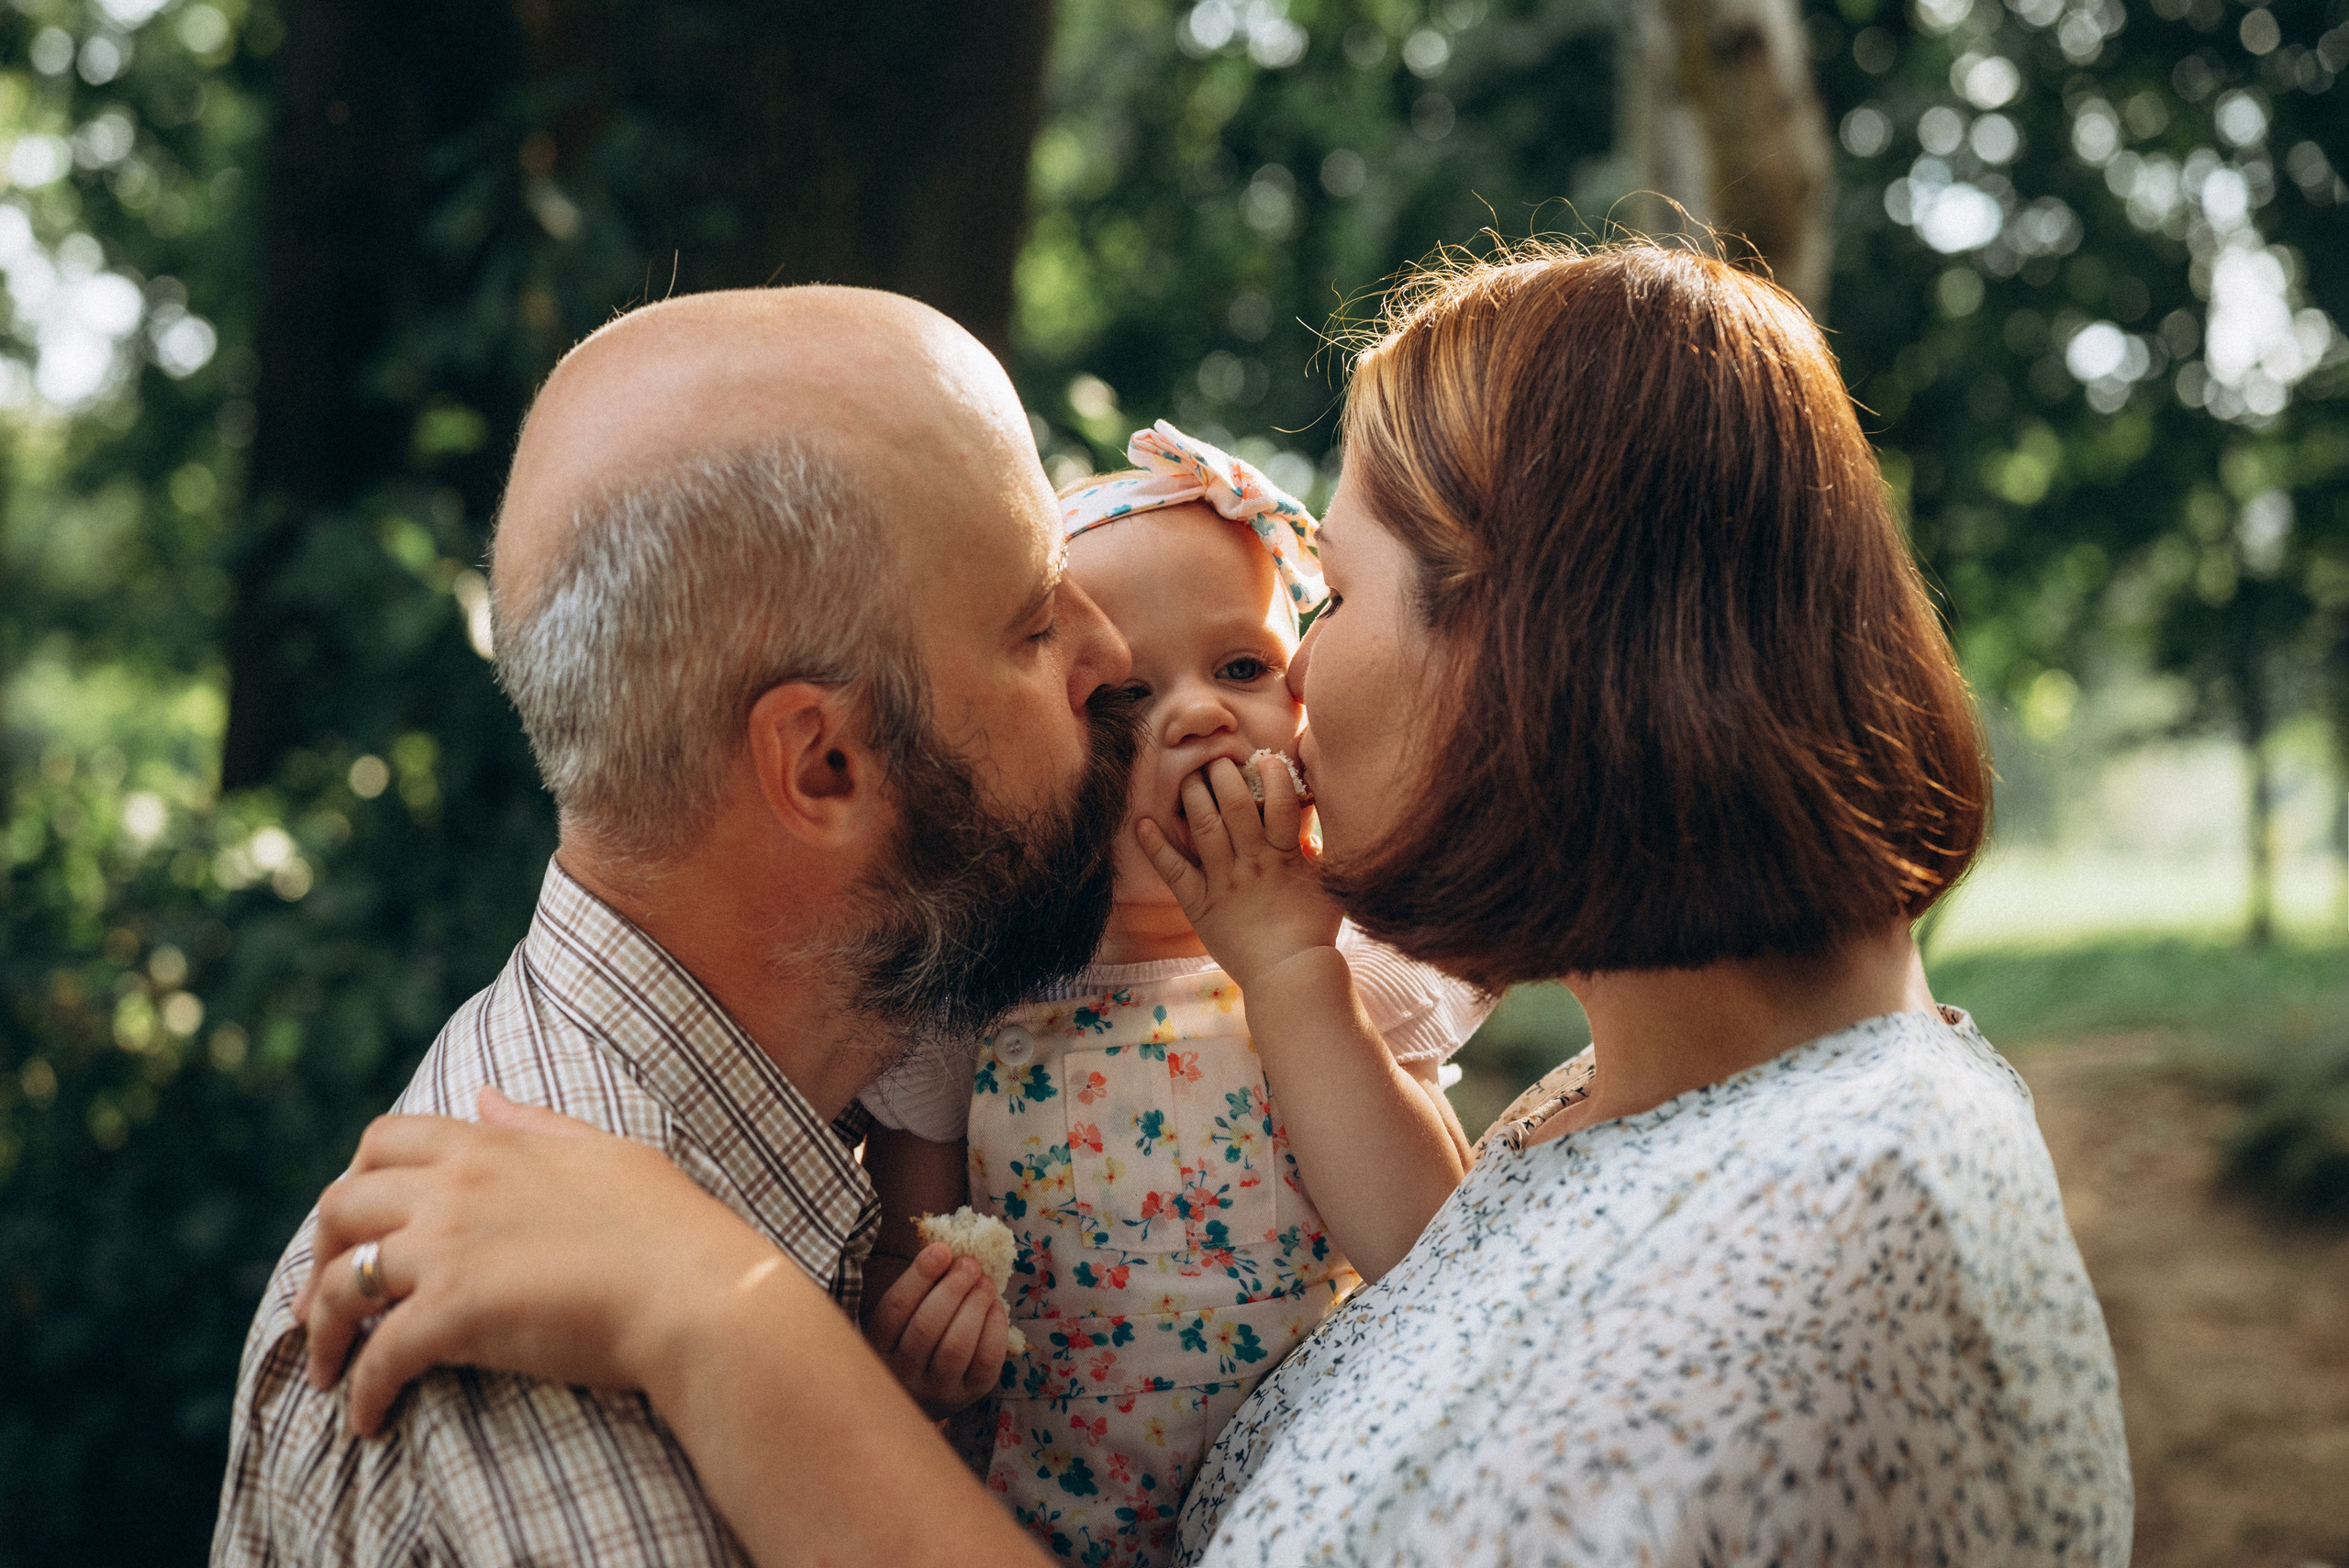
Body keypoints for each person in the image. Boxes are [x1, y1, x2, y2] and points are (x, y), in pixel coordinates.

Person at [285, 242, 2135, 1566]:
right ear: (820, 759)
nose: (1157, 682)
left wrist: (727, 1319)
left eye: (1324, 606)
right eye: (1041, 624)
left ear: (1546, 654)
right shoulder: (1675, 1118)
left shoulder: (1830, 1221)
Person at [211, 285, 1139, 1566]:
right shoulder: (549, 1420)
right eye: (1034, 623)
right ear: (824, 767)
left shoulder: (731, 1182)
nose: (1113, 650)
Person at [854, 422, 1493, 1566]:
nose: (1198, 714)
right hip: (1035, 1529)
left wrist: (1288, 968)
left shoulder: (1348, 971)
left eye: (1242, 667)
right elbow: (905, 1265)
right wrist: (923, 1352)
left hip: (1314, 1514)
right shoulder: (978, 1012)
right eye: (1128, 695)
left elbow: (1432, 1257)